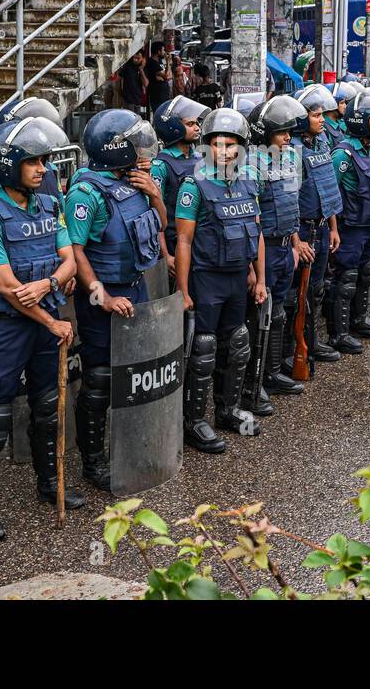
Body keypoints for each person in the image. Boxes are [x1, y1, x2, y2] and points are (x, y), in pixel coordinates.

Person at [0, 117, 80, 540]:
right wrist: (51, 319)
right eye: (33, 162)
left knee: (47, 406)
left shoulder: (50, 205)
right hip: (10, 329)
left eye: (44, 161)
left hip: (46, 322)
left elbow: (69, 259)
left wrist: (47, 284)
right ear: (8, 165)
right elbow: (7, 287)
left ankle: (49, 482)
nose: (43, 169)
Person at [65, 109, 165, 489]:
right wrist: (100, 296)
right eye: (134, 144)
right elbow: (74, 250)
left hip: (135, 288)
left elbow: (162, 225)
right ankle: (93, 462)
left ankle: (128, 447)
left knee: (134, 374)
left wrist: (155, 195)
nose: (143, 151)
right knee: (100, 379)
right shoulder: (86, 193)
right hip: (102, 296)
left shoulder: (139, 180)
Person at [174, 108, 266, 451]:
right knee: (203, 351)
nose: (224, 151)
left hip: (237, 279)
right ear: (206, 146)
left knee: (238, 344)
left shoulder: (248, 180)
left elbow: (255, 233)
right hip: (206, 280)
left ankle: (228, 411)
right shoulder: (193, 185)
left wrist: (259, 278)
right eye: (217, 144)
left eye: (231, 145)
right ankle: (195, 421)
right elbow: (183, 240)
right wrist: (182, 291)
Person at [245, 96, 309, 411]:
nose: (288, 136)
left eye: (289, 132)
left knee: (280, 311)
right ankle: (254, 381)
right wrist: (254, 267)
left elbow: (290, 204)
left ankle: (272, 371)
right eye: (282, 131)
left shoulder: (288, 158)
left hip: (285, 247)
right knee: (261, 315)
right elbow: (253, 219)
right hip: (265, 250)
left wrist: (295, 242)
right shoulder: (253, 163)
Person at [328, 94, 370, 354]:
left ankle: (359, 319)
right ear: (360, 122)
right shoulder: (343, 154)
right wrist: (333, 228)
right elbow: (330, 194)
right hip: (351, 227)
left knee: (366, 272)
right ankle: (339, 332)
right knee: (346, 277)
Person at [285, 84, 343, 371]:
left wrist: (332, 227)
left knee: (316, 290)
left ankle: (311, 340)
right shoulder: (292, 151)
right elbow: (287, 200)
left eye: (322, 114)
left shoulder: (322, 143)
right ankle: (289, 351)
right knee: (296, 294)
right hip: (302, 232)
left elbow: (329, 189)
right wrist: (296, 240)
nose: (323, 119)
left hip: (321, 228)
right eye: (316, 115)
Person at [151, 95, 210, 289]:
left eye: (197, 123)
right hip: (175, 244)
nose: (197, 128)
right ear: (172, 127)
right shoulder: (160, 165)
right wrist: (165, 255)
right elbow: (154, 214)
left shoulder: (200, 157)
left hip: (201, 245)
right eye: (190, 123)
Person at [145, 43, 173, 114]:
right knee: (159, 117)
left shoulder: (159, 61)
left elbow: (169, 76)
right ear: (158, 51)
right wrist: (167, 62)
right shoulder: (152, 63)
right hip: (157, 97)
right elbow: (166, 76)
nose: (164, 52)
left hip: (164, 96)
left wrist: (165, 75)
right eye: (163, 50)